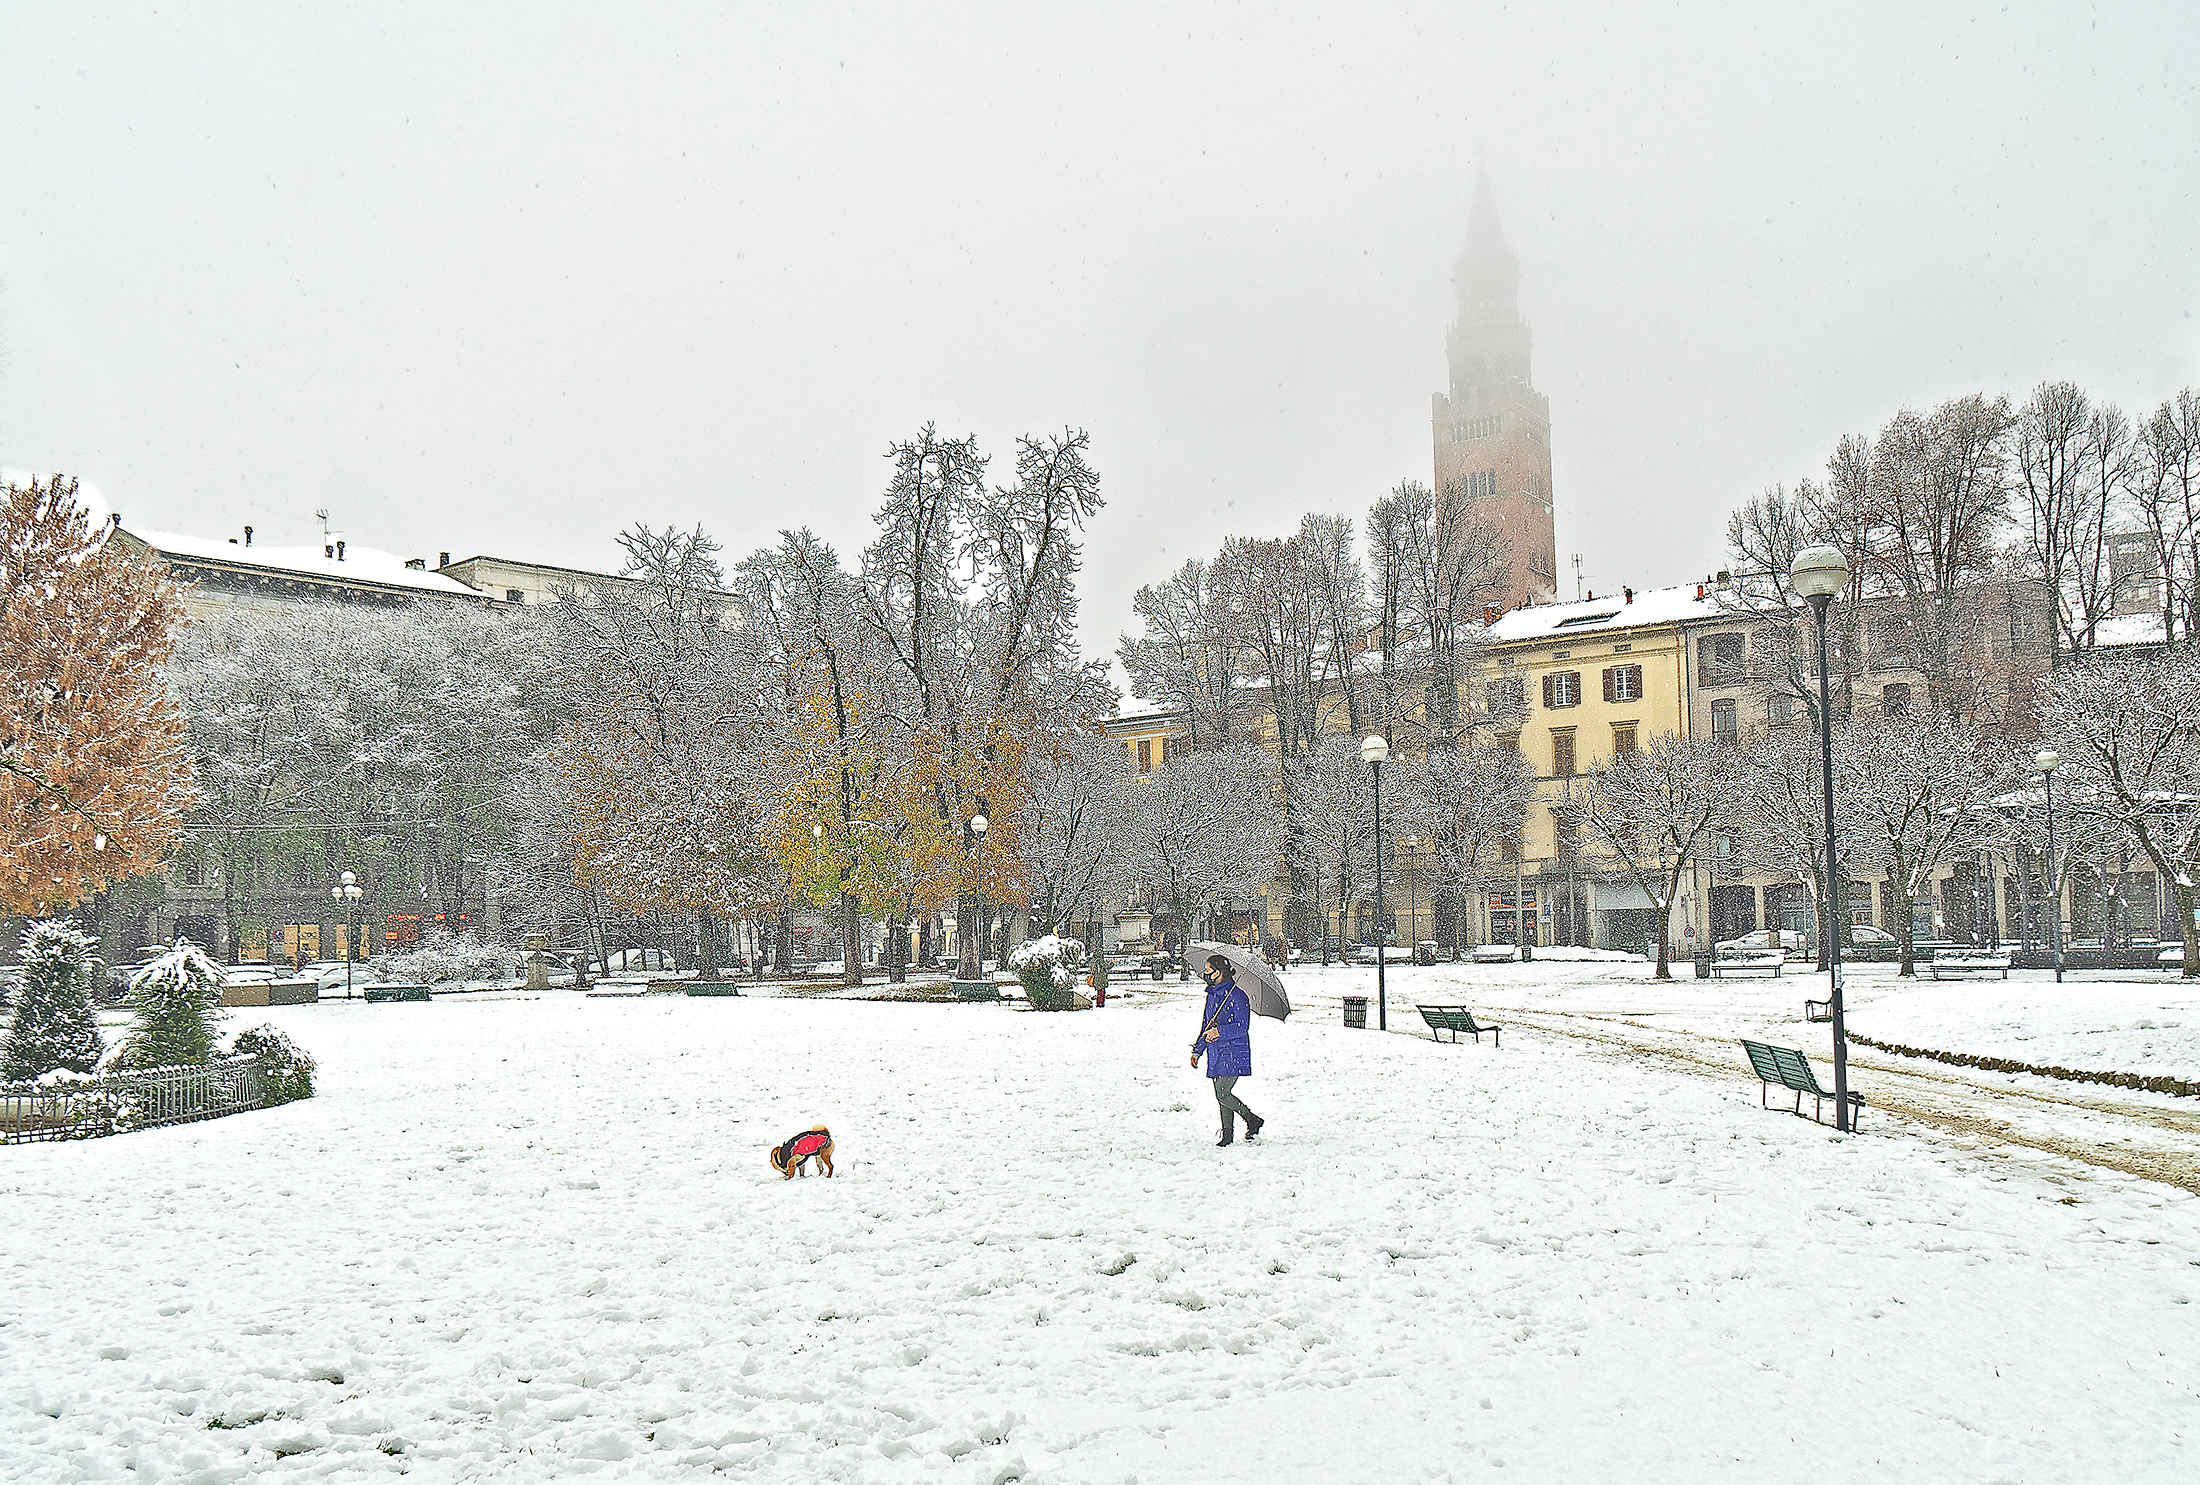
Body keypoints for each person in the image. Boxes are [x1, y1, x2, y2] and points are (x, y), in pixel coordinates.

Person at [1190, 953, 1264, 1146]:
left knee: (1223, 1093)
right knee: (1221, 1095)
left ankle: (1252, 1119)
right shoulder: (1213, 995)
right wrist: (1198, 1050)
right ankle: (1227, 1136)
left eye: (1209, 971)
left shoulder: (1237, 996)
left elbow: (1241, 1026)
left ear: (1219, 972)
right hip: (1216, 1053)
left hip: (1233, 1052)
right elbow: (1206, 1025)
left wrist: (1220, 1031)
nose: (1206, 974)